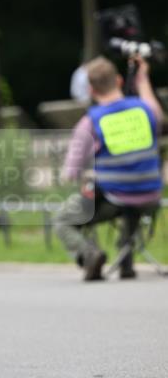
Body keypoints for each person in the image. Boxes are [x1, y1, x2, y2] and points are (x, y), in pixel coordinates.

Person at [54, 54, 164, 280]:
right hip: (151, 195)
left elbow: (70, 173)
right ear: (120, 81)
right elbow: (158, 114)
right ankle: (126, 262)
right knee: (131, 199)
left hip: (116, 197)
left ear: (91, 90)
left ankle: (89, 254)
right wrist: (142, 80)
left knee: (62, 219)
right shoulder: (146, 111)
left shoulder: (91, 122)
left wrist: (84, 172)